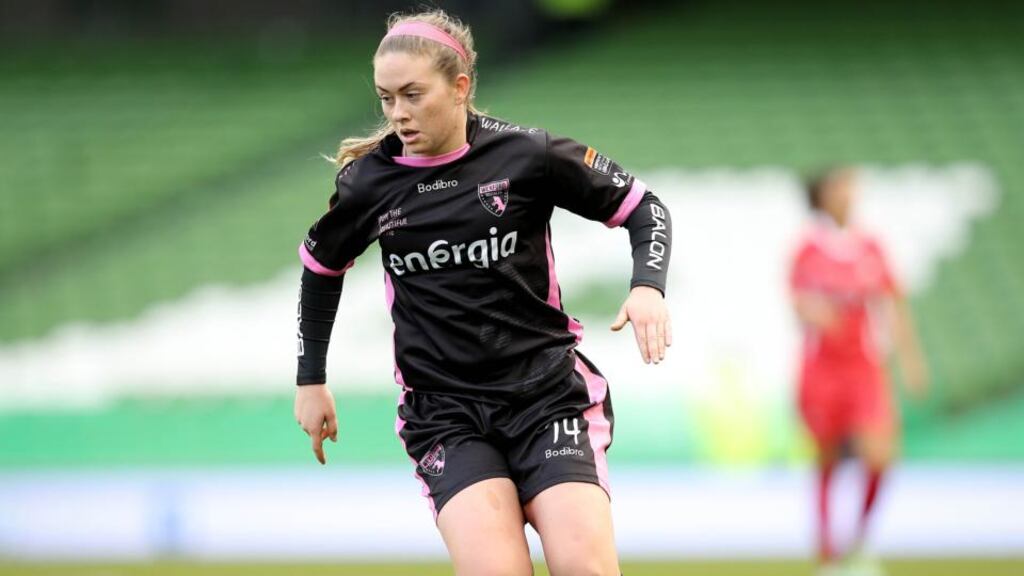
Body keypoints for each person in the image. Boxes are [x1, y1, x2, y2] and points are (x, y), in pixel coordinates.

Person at [292, 9, 672, 575]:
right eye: (386, 98)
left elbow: (645, 208)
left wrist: (648, 288)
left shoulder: (527, 155)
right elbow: (321, 269)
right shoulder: (368, 183)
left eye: (413, 95)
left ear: (460, 86)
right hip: (445, 413)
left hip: (547, 397)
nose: (398, 113)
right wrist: (311, 379)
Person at [790, 167, 928, 575]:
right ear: (823, 194)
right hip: (822, 370)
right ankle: (828, 553)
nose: (850, 193)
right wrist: (813, 311)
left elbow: (893, 304)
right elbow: (797, 302)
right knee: (827, 458)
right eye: (842, 185)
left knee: (880, 455)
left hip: (864, 368)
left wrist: (911, 359)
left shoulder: (871, 247)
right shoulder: (807, 249)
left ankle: (860, 540)